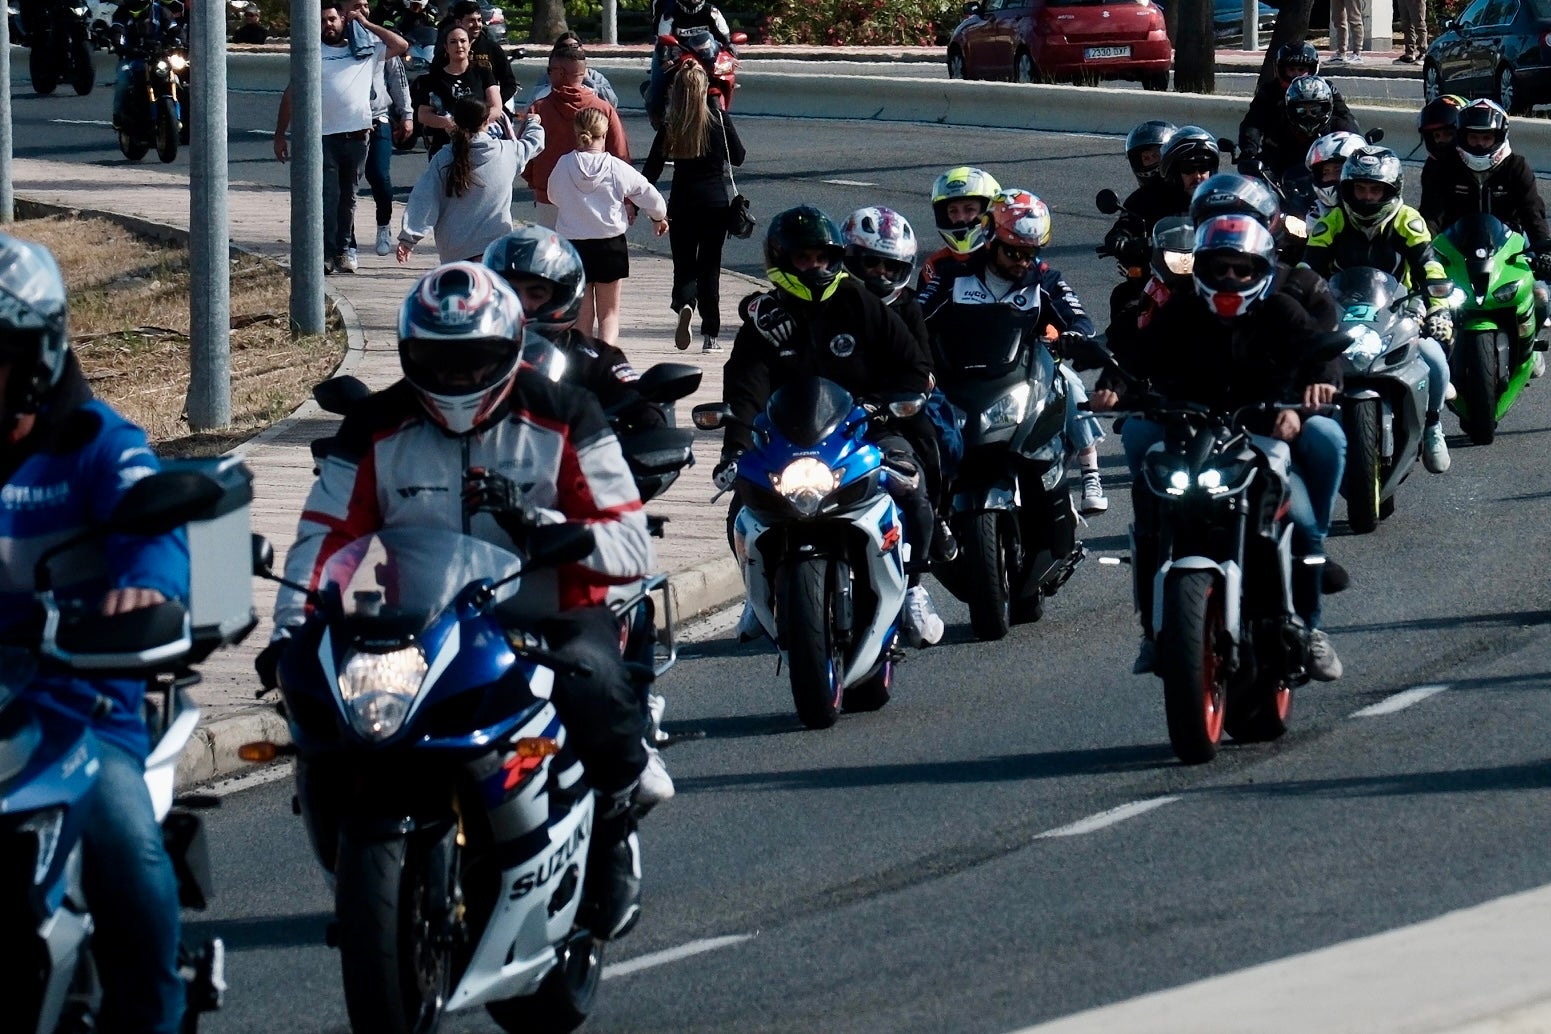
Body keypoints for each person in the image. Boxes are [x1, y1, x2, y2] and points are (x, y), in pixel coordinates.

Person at [262, 261, 656, 941]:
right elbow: (323, 536)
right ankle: (354, 855)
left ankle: (613, 827)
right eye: (439, 360)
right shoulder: (374, 424)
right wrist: (290, 627)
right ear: (411, 354)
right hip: (414, 618)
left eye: (473, 360)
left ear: (507, 350)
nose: (456, 377)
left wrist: (550, 529)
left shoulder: (566, 412)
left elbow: (630, 544)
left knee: (593, 682)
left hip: (546, 609)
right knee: (313, 701)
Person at [0, 234, 191, 1032]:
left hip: (74, 711)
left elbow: (155, 530)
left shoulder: (99, 444)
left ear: (36, 356)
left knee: (129, 857)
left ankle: (151, 1014)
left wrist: (145, 588)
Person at [1090, 214, 1347, 682]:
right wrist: (1112, 383)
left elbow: (1321, 352)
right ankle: (1153, 630)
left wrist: (1310, 398)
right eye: (1219, 268)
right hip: (1192, 433)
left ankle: (1310, 630)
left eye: (1241, 269)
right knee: (1151, 500)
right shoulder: (1183, 310)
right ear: (1201, 269)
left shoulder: (1282, 311)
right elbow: (1136, 356)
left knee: (1305, 525)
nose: (1230, 278)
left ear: (1261, 270)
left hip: (1265, 432)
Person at [721, 205, 946, 646]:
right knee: (740, 509)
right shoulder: (765, 320)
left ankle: (915, 588)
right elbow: (744, 389)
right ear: (781, 260)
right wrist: (736, 446)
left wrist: (888, 405)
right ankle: (757, 592)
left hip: (865, 429)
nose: (815, 267)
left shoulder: (857, 301)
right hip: (786, 441)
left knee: (913, 487)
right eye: (804, 259)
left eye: (823, 258)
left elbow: (914, 363)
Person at [917, 189, 1110, 518]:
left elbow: (1080, 319)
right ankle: (931, 499)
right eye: (1013, 252)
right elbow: (916, 316)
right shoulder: (953, 276)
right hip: (963, 375)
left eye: (1029, 253)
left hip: (1025, 374)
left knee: (1070, 382)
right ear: (991, 239)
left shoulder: (1044, 279)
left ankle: (1089, 470)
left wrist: (1073, 336)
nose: (1022, 262)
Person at [1303, 146, 1456, 473]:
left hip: (1402, 308)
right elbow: (1307, 269)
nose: (1368, 197)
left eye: (1375, 189)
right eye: (1360, 188)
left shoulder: (1407, 220)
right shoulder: (1332, 222)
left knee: (1436, 361)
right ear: (1348, 189)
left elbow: (1430, 266)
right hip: (1342, 312)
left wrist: (1438, 310)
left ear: (1391, 190)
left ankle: (1432, 426)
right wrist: (1295, 307)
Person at [841, 205, 962, 562]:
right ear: (851, 259)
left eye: (890, 267)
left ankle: (939, 517)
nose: (880, 273)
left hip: (895, 406)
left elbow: (924, 365)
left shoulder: (908, 306)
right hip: (836, 407)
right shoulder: (832, 302)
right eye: (872, 263)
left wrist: (907, 393)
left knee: (937, 441)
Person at [483, 224, 666, 432]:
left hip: (580, 460)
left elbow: (643, 406)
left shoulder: (598, 359)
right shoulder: (472, 354)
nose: (522, 304)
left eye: (536, 294)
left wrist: (651, 429)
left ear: (561, 296)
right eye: (511, 292)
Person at [274, 0, 407, 275]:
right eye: (322, 21)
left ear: (343, 20)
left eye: (332, 19)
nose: (328, 25)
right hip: (323, 137)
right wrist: (280, 134)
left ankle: (343, 252)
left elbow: (401, 46)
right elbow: (291, 93)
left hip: (358, 135)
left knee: (349, 198)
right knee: (329, 196)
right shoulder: (312, 53)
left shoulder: (364, 50)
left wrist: (366, 23)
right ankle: (325, 253)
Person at [642, 59, 746, 353]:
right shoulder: (719, 121)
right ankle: (711, 335)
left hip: (682, 203)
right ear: (704, 90)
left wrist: (640, 205)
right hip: (715, 204)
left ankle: (685, 303)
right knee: (710, 268)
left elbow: (652, 170)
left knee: (684, 266)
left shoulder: (672, 125)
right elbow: (738, 157)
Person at [547, 108, 667, 344]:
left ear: (577, 133)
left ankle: (584, 361)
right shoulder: (615, 167)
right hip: (610, 245)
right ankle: (606, 360)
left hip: (574, 247)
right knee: (609, 314)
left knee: (581, 317)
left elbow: (553, 195)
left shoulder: (564, 164)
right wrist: (658, 217)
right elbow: (649, 195)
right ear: (604, 135)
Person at [397, 99, 543, 263]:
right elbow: (534, 143)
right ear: (486, 121)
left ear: (454, 121)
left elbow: (424, 198)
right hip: (495, 245)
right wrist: (533, 122)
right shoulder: (507, 152)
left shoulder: (444, 158)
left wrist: (409, 238)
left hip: (454, 249)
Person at [523, 43, 630, 227]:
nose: (548, 74)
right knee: (589, 253)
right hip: (595, 198)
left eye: (550, 70)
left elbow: (524, 154)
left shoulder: (539, 109)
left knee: (552, 253)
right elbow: (620, 155)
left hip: (549, 197)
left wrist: (535, 183)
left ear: (561, 73)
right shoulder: (603, 109)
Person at [1239, 41, 1356, 164]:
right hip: (1279, 157)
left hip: (1320, 156)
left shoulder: (1326, 88)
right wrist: (1249, 149)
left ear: (1312, 69)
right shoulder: (1269, 92)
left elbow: (1345, 118)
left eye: (1301, 69)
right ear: (1281, 70)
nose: (1296, 75)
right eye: (1291, 69)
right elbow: (1252, 123)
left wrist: (1354, 146)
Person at [413, 24, 500, 160]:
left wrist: (474, 125)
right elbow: (423, 115)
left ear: (469, 44)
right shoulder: (432, 78)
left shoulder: (483, 73)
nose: (459, 45)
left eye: (463, 41)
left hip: (479, 146)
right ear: (446, 48)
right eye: (453, 42)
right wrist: (449, 124)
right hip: (444, 148)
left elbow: (496, 108)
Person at [644, 0, 737, 128]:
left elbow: (725, 38)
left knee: (726, 74)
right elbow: (662, 40)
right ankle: (659, 121)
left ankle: (722, 120)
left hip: (706, 58)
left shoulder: (712, 12)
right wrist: (665, 58)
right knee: (658, 86)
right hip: (678, 56)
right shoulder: (670, 14)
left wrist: (731, 47)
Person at [920, 165, 1001, 284]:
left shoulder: (1005, 258)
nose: (960, 218)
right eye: (953, 211)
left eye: (969, 209)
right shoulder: (934, 265)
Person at [110, 0, 180, 132]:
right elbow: (117, 32)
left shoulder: (161, 11)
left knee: (182, 76)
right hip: (133, 58)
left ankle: (189, 117)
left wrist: (180, 43)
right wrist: (122, 46)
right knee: (123, 79)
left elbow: (174, 29)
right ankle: (117, 116)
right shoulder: (121, 13)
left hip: (160, 57)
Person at [432, 0, 516, 104]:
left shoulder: (492, 48)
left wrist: (493, 104)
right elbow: (434, 81)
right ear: (458, 22)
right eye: (471, 20)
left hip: (489, 111)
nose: (477, 25)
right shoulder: (446, 51)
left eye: (479, 20)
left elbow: (510, 84)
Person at [524, 32, 620, 108]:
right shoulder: (550, 76)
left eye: (574, 46)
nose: (570, 51)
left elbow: (612, 102)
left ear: (581, 48)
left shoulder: (594, 76)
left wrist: (586, 79)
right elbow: (531, 105)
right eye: (564, 47)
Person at [1305, 130, 1365, 218]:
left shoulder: (1370, 205)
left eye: (1338, 170)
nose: (1331, 177)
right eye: (1325, 172)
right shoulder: (1316, 213)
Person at [1124, 119, 1177, 187]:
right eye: (1146, 158)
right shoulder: (1138, 196)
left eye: (1155, 155)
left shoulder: (1188, 191)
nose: (1151, 161)